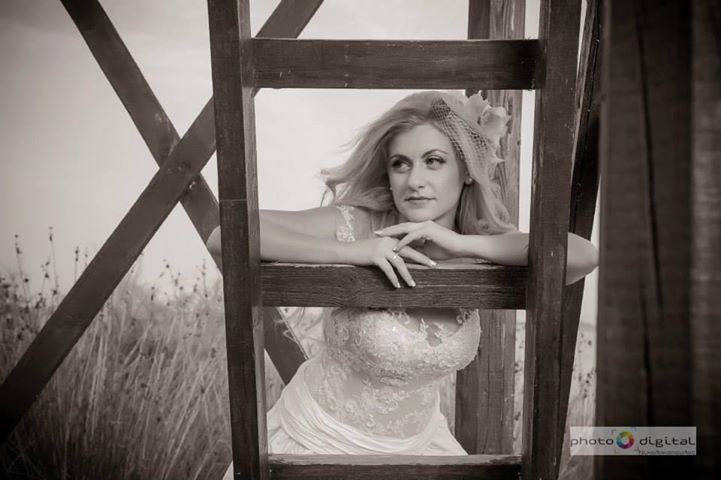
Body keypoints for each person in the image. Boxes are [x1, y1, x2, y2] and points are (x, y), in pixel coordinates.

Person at [209, 90, 598, 472]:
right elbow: (224, 236)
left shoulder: (483, 245)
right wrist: (355, 251)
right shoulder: (359, 225)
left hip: (421, 451)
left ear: (466, 170)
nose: (415, 180)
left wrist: (462, 243)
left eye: (433, 161)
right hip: (317, 442)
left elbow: (583, 256)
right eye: (400, 164)